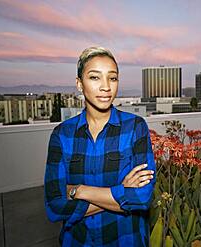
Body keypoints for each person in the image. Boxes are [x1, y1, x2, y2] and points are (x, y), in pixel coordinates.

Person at [44, 47, 156, 246]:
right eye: (95, 77)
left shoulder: (135, 128)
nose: (106, 86)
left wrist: (78, 190)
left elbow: (141, 197)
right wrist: (121, 191)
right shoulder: (62, 135)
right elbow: (54, 206)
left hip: (126, 239)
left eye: (112, 78)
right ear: (79, 84)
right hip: (78, 241)